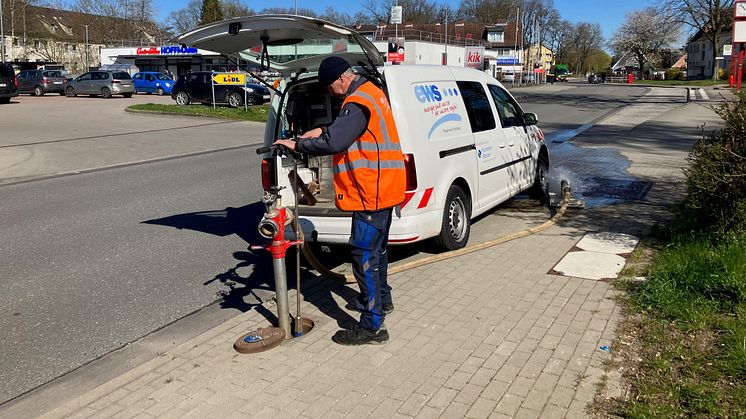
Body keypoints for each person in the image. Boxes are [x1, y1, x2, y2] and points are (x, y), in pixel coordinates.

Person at [274, 56, 406, 346]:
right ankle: (382, 302)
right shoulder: (371, 93)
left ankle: (373, 327)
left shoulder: (358, 100)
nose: (332, 93)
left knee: (363, 254)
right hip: (384, 187)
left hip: (372, 191)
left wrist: (298, 144)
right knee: (377, 251)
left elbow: (336, 142)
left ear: (342, 80)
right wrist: (321, 129)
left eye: (331, 87)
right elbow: (344, 129)